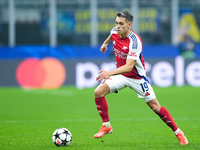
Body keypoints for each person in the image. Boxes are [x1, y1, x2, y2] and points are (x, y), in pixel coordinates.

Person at [93, 11, 188, 145]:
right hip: (121, 76)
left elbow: (129, 66)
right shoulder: (115, 31)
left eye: (121, 24)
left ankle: (178, 132)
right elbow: (111, 35)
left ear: (129, 25)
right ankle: (106, 126)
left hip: (137, 78)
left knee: (155, 107)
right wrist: (105, 44)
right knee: (98, 92)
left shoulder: (135, 41)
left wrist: (109, 73)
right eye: (116, 23)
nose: (118, 26)